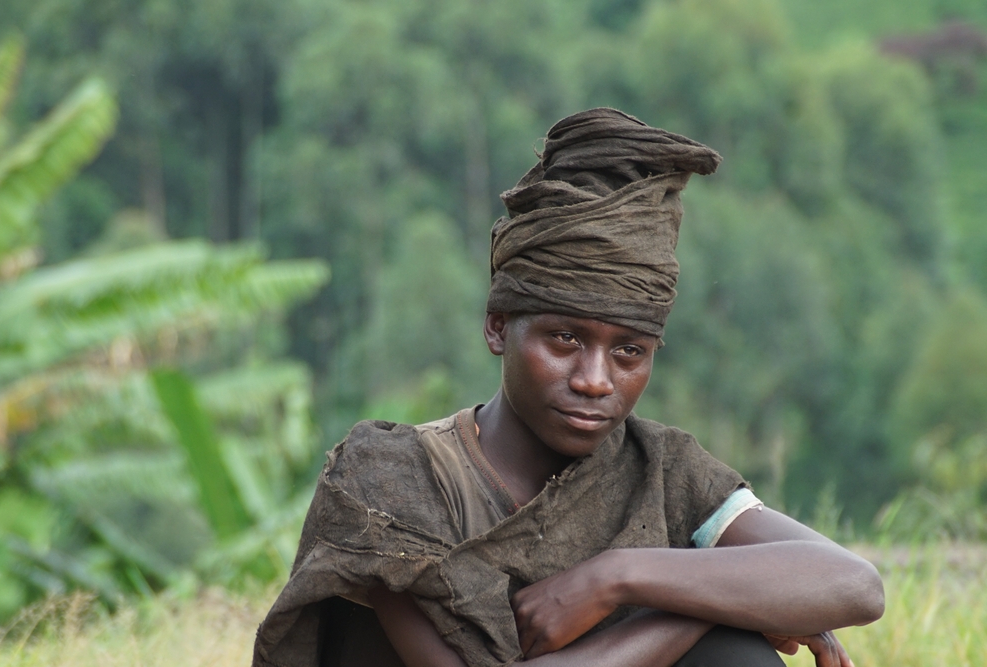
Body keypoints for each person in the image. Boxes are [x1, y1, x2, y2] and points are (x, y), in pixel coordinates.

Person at [252, 108, 884, 667]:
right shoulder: (393, 478)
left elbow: (855, 585)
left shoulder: (661, 471)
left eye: (630, 351)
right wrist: (713, 603)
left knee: (737, 658)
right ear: (498, 327)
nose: (594, 380)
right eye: (563, 340)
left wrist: (618, 576)